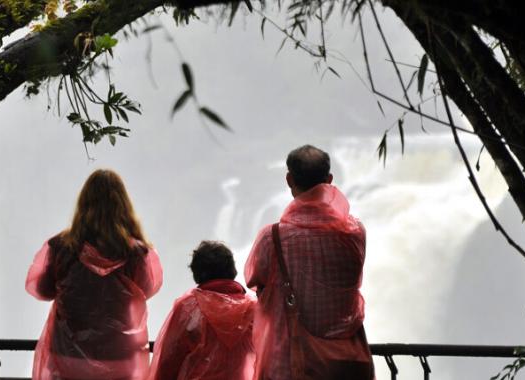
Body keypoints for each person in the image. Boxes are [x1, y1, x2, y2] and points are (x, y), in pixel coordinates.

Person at [245, 145, 374, 380]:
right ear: (329, 180)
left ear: (289, 179)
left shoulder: (272, 237)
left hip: (290, 364)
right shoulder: (355, 232)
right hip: (346, 365)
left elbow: (254, 279)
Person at [25, 169, 163, 380]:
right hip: (120, 356)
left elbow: (41, 289)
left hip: (68, 355)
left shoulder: (61, 246)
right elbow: (146, 289)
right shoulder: (137, 253)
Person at [148, 241, 256, 380]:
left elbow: (169, 359)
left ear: (197, 273)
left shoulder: (189, 307)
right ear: (232, 270)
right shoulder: (252, 308)